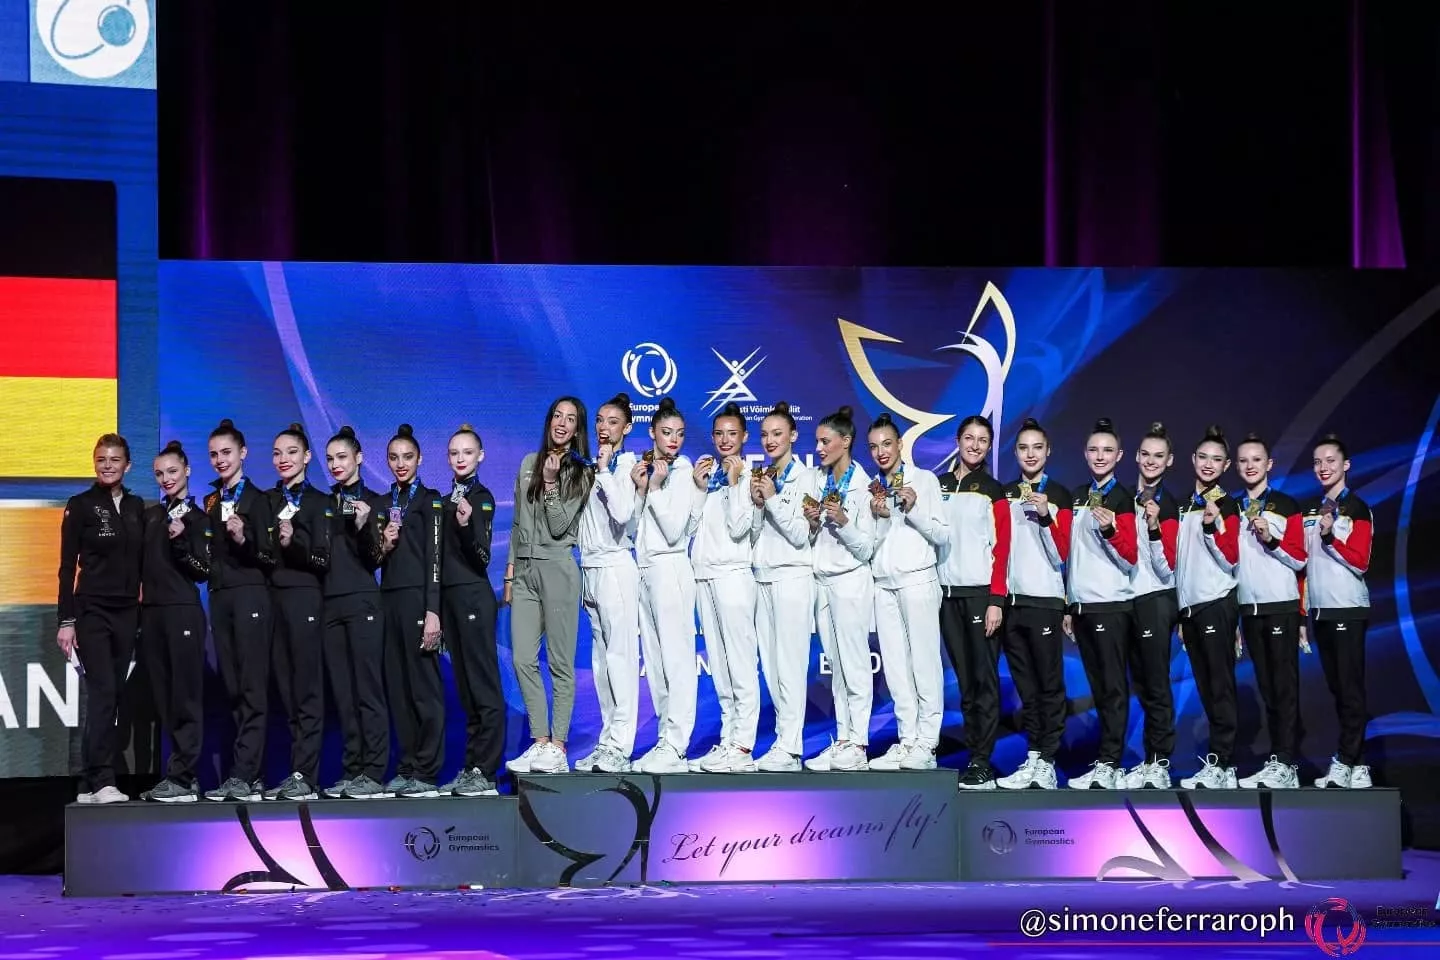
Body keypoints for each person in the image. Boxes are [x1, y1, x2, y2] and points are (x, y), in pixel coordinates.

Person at [505, 397, 591, 775]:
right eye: (557, 415)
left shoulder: (581, 471)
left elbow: (559, 526)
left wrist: (553, 483)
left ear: (577, 429)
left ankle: (558, 746)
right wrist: (509, 574)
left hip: (558, 568)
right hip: (524, 571)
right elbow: (518, 524)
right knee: (523, 658)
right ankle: (539, 741)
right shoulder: (528, 463)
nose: (562, 423)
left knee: (560, 664)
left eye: (571, 419)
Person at [57, 434, 145, 804]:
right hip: (92, 610)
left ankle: (88, 783)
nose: (107, 465)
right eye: (101, 459)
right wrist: (66, 620)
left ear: (128, 465)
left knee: (113, 695)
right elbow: (66, 568)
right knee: (103, 690)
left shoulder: (139, 506)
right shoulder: (80, 506)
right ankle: (101, 778)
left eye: (114, 460)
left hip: (128, 612)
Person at [864, 413, 947, 772]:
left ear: (900, 444)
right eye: (874, 446)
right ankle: (907, 738)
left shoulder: (924, 481)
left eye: (886, 443)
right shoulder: (873, 488)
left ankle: (927, 743)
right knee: (896, 668)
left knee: (924, 664)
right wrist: (878, 518)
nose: (881, 452)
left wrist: (912, 509)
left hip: (918, 580)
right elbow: (869, 547)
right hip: (883, 584)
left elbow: (943, 535)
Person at [203, 420, 277, 802]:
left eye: (226, 452)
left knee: (251, 687)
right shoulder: (210, 501)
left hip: (251, 597)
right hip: (220, 598)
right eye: (214, 454)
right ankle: (254, 774)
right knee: (233, 689)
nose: (220, 460)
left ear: (243, 453)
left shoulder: (261, 500)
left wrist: (244, 539)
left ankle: (244, 774)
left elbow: (269, 555)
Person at [996, 418, 1072, 790]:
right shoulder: (1007, 494)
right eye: (1024, 448)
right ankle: (1034, 755)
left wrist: (1045, 516)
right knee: (1026, 687)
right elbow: (999, 549)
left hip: (1044, 601)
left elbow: (1062, 553)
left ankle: (1048, 758)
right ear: (1016, 452)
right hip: (1012, 602)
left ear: (1048, 451)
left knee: (1049, 684)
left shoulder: (1059, 494)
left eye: (1037, 448)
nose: (1030, 454)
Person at [938, 415, 1012, 789]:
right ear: (958, 440)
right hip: (947, 597)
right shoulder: (939, 486)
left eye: (983, 440)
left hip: (982, 596)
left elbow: (1003, 548)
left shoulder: (993, 490)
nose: (975, 445)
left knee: (984, 681)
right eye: (969, 438)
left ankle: (983, 761)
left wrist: (996, 600)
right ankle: (972, 757)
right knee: (966, 683)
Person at [803, 405, 878, 772]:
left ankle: (860, 744)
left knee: (855, 664)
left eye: (825, 441)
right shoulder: (818, 481)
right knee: (836, 665)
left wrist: (845, 522)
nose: (818, 448)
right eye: (817, 441)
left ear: (846, 441)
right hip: (823, 582)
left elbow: (866, 548)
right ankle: (844, 738)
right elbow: (812, 537)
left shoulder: (863, 486)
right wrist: (813, 523)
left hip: (850, 581)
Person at [1232, 433, 1307, 790]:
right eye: (1244, 460)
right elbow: (1230, 565)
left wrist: (1271, 539)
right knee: (1266, 686)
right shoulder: (1231, 509)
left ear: (1269, 465)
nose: (1250, 466)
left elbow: (1299, 557)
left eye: (1256, 460)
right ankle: (1278, 760)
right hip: (1250, 609)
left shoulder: (1286, 505)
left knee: (1284, 687)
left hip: (1280, 607)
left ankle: (1287, 763)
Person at [689, 402, 761, 773]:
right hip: (705, 576)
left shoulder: (748, 477)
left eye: (732, 433)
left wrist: (734, 484)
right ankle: (728, 738)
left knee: (741, 662)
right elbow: (692, 530)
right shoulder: (712, 475)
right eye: (719, 433)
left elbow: (739, 528)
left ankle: (744, 746)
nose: (724, 440)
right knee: (719, 663)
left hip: (734, 575)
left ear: (744, 436)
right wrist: (701, 489)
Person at [1066, 418, 1138, 790]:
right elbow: (1072, 555)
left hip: (1111, 606)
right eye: (1094, 450)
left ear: (1120, 456)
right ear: (1085, 453)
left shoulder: (1124, 499)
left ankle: (1112, 763)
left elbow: (1130, 557)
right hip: (1082, 606)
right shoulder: (1079, 495)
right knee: (1098, 688)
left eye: (1107, 450)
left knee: (1112, 688)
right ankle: (1105, 762)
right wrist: (1069, 602)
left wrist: (1111, 529)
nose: (1100, 456)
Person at [375, 424, 446, 798]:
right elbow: (377, 556)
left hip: (420, 603)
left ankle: (427, 770)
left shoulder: (430, 500)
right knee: (399, 690)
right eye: (393, 458)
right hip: (389, 602)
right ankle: (406, 766)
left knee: (424, 691)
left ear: (419, 459)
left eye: (407, 457)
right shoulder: (386, 502)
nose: (400, 464)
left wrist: (433, 611)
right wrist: (383, 545)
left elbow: (435, 560)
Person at [630, 397, 700, 773]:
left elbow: (675, 531)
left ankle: (677, 742)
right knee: (655, 662)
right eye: (667, 432)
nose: (674, 440)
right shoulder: (645, 469)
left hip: (672, 568)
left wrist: (655, 488)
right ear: (652, 432)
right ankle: (664, 738)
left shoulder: (684, 468)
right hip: (644, 569)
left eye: (680, 434)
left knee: (676, 659)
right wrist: (643, 488)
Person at [749, 401, 820, 772]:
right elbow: (755, 534)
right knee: (772, 666)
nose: (770, 440)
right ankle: (782, 739)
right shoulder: (762, 474)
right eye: (765, 435)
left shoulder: (806, 479)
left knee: (790, 665)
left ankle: (791, 747)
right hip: (762, 578)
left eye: (778, 434)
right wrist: (759, 504)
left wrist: (772, 498)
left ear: (793, 436)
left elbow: (798, 534)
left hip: (792, 576)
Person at [138, 441, 210, 803]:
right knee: (165, 699)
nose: (166, 479)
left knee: (185, 697)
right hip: (151, 615)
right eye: (159, 474)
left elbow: (202, 571)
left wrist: (182, 542)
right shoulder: (150, 517)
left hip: (183, 611)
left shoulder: (198, 518)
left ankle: (183, 778)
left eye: (172, 471)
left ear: (187, 471)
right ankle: (181, 776)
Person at [573, 395, 641, 774]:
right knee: (600, 662)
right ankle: (608, 739)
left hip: (616, 566)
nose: (603, 427)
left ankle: (622, 745)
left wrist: (603, 472)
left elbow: (623, 513)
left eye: (613, 422)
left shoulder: (627, 465)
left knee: (620, 658)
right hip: (590, 567)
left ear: (626, 428)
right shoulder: (591, 467)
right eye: (599, 420)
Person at [321, 426, 388, 799]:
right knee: (343, 695)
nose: (335, 465)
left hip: (363, 601)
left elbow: (375, 558)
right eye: (330, 459)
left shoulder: (375, 502)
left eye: (342, 457)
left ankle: (374, 772)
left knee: (367, 690)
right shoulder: (323, 502)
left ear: (359, 458)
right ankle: (352, 769)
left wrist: (364, 527)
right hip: (330, 604)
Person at [264, 423, 330, 802]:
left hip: (306, 599)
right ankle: (294, 773)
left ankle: (307, 775)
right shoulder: (266, 501)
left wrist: (293, 545)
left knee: (306, 691)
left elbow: (323, 559)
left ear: (306, 456)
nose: (283, 459)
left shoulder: (320, 502)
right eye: (277, 453)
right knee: (286, 692)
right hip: (273, 602)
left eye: (290, 452)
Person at [1174, 425, 1242, 790]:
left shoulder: (1228, 505)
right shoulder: (1185, 502)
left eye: (1217, 459)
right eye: (1203, 457)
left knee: (1220, 685)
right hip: (1191, 609)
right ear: (1193, 460)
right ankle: (1219, 764)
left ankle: (1223, 763)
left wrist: (1214, 525)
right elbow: (1180, 563)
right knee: (1205, 685)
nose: (1209, 464)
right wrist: (1181, 611)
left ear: (1227, 465)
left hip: (1217, 603)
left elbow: (1232, 558)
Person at [437, 424, 503, 796]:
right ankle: (471, 767)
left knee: (483, 687)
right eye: (454, 453)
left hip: (475, 599)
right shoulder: (445, 502)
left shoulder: (483, 498)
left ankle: (486, 771)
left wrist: (464, 527)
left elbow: (481, 557)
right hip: (451, 602)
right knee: (465, 690)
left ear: (480, 456)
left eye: (467, 452)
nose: (460, 458)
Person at [1304, 434, 1373, 789]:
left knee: (1350, 689)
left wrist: (1331, 538)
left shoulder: (1357, 509)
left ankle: (1350, 761)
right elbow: (1307, 566)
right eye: (1317, 462)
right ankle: (1355, 764)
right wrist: (1304, 614)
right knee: (1337, 689)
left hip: (1348, 609)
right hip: (1322, 612)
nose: (1323, 468)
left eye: (1330, 461)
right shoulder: (1313, 512)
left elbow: (1361, 562)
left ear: (1345, 465)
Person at [1122, 422, 1182, 790]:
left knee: (1156, 683)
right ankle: (1149, 760)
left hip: (1157, 599)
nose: (1151, 461)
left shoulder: (1168, 504)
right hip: (1128, 599)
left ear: (1170, 461)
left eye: (1158, 456)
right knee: (1141, 684)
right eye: (1145, 454)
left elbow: (1166, 566)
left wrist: (1155, 526)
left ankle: (1160, 762)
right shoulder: (1124, 497)